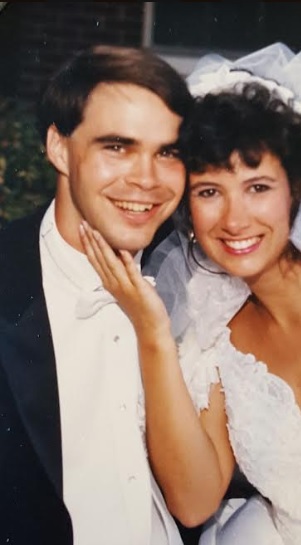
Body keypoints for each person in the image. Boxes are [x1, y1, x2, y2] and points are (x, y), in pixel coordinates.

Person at [79, 43, 301, 545]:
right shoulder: (214, 332)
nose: (235, 218)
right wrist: (154, 333)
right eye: (208, 192)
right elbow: (195, 500)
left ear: (295, 191)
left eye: (258, 187)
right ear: (187, 212)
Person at [0, 44, 194, 545]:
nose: (147, 179)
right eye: (117, 146)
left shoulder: (204, 282)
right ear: (59, 148)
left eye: (168, 152)